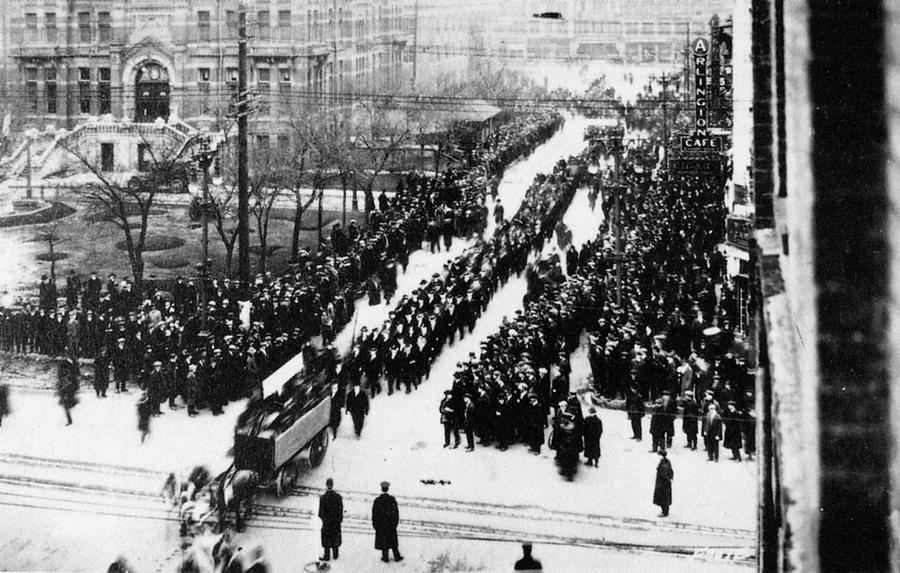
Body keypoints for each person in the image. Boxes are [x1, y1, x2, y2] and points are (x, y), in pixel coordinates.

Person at [372, 481, 403, 563]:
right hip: (391, 525)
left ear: (381, 488)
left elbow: (374, 514)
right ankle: (397, 556)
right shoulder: (392, 500)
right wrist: (395, 523)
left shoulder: (377, 500)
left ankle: (385, 557)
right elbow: (396, 513)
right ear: (388, 488)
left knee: (383, 541)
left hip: (381, 525)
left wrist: (375, 525)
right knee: (393, 542)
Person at [318, 477, 343, 561]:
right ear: (332, 485)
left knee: (326, 538)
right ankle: (335, 554)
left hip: (326, 523)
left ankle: (327, 555)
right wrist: (338, 520)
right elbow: (340, 510)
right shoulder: (338, 497)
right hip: (335, 523)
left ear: (326, 485)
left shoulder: (323, 498)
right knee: (335, 537)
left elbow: (320, 513)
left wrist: (325, 519)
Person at [57, 353, 79, 426]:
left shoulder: (74, 364)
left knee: (67, 402)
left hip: (70, 385)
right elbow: (60, 375)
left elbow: (76, 374)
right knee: (66, 403)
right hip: (66, 385)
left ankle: (69, 416)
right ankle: (69, 418)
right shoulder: (63, 365)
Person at [653, 449, 674, 517]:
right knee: (665, 498)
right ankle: (665, 511)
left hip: (663, 484)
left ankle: (664, 512)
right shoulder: (667, 462)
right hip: (665, 484)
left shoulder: (663, 464)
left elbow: (664, 474)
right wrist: (670, 478)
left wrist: (667, 479)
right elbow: (671, 471)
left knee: (663, 498)